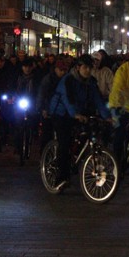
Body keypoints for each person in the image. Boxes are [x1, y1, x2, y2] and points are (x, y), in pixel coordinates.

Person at [47, 54, 112, 191]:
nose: (88, 71)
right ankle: (61, 178)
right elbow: (67, 100)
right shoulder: (68, 80)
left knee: (88, 132)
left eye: (90, 68)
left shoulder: (91, 82)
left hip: (79, 113)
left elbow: (98, 101)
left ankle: (76, 158)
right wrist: (75, 114)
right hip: (61, 113)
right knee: (64, 143)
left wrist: (107, 116)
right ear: (78, 67)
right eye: (85, 67)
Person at [37, 56, 71, 154]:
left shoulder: (68, 80)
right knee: (47, 135)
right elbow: (42, 94)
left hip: (62, 112)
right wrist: (42, 108)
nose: (63, 72)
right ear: (56, 69)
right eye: (61, 70)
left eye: (65, 70)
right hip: (48, 110)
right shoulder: (48, 79)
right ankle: (44, 155)